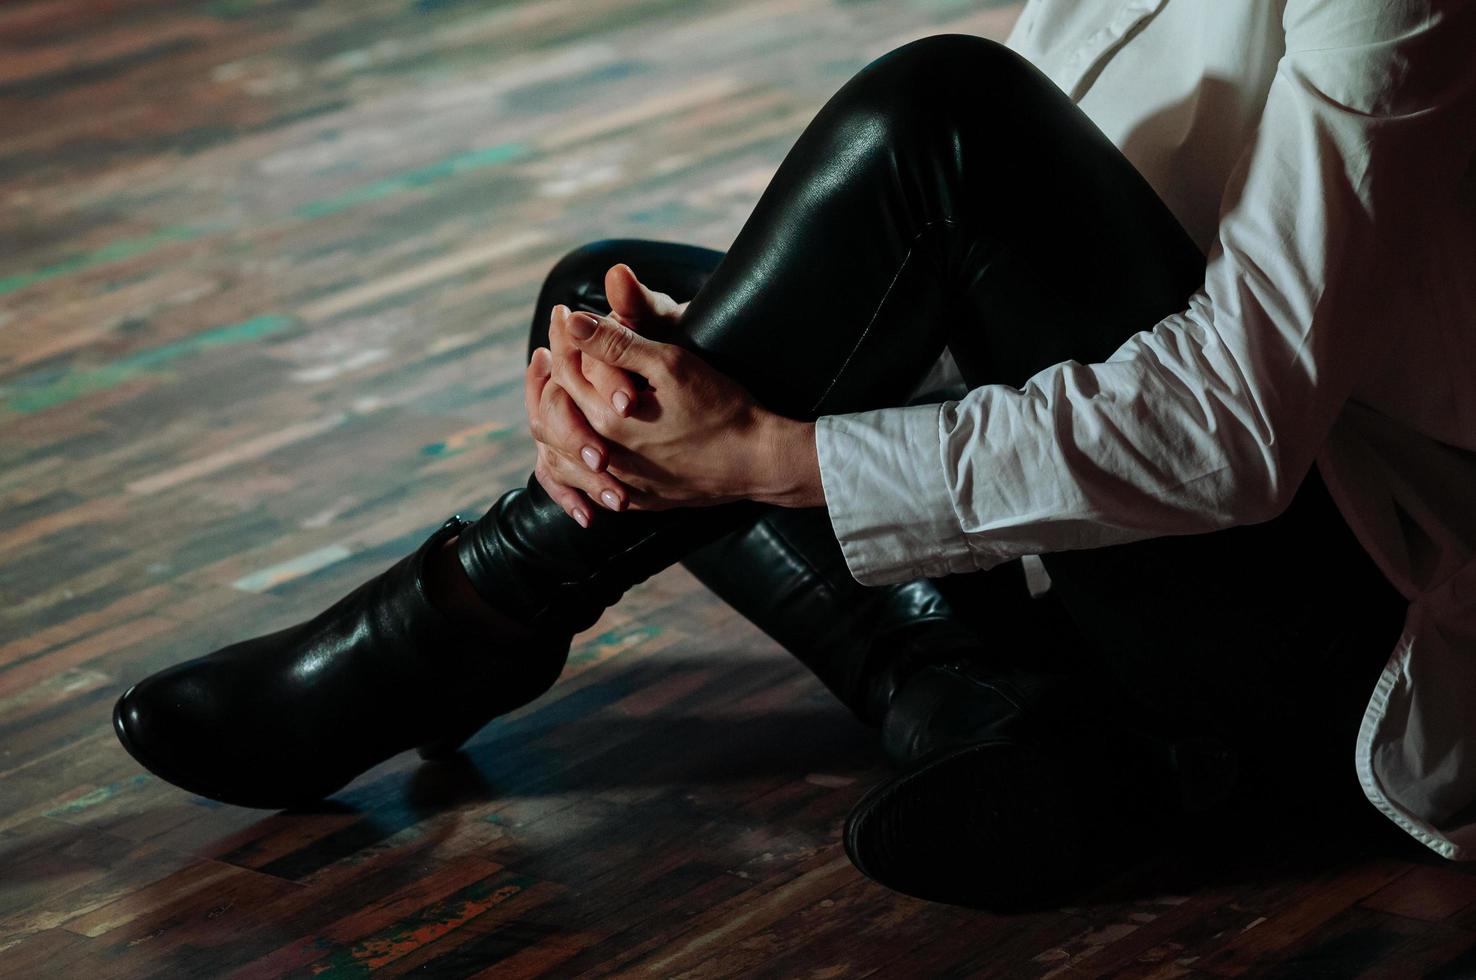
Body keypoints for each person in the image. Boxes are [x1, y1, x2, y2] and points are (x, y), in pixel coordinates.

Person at [113, 0, 1476, 909]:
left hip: (1343, 629)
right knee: (607, 304)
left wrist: (776, 455)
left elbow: (1233, 429)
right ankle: (980, 700)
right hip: (1170, 544)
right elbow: (1004, 283)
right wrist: (705, 382)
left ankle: (480, 602)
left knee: (945, 116)